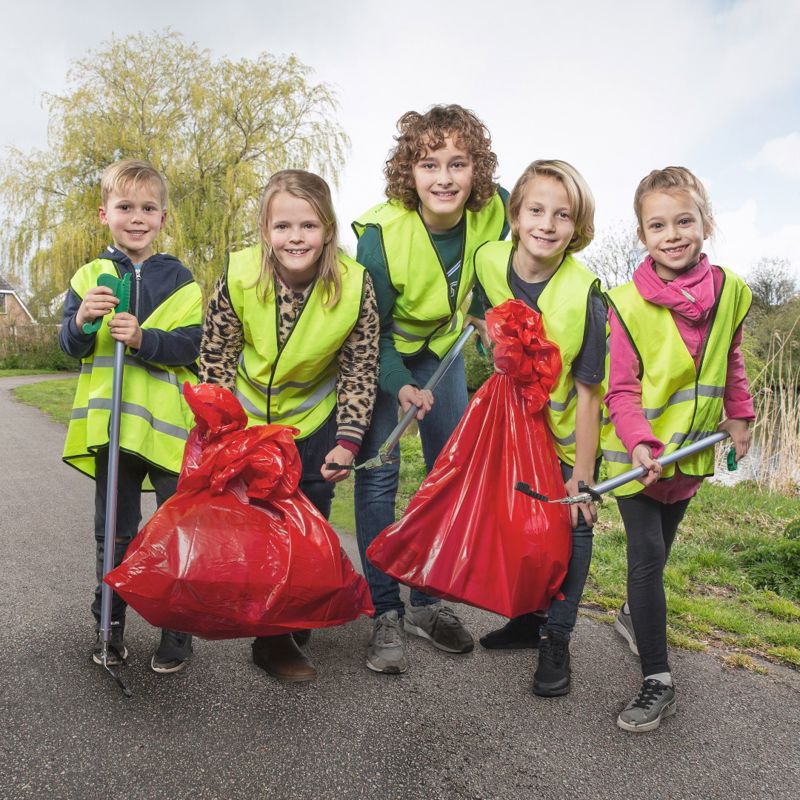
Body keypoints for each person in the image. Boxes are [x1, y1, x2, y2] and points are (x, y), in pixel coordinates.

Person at [199, 169, 379, 682]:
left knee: (306, 529)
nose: (295, 237)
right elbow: (215, 355)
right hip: (250, 423)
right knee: (260, 530)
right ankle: (272, 634)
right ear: (265, 230)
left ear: (327, 228)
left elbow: (360, 367)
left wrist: (347, 441)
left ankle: (286, 624)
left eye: (307, 225)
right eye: (282, 226)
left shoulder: (354, 285)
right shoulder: (238, 274)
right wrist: (219, 427)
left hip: (313, 427)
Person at [352, 104, 509, 674]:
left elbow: (507, 268)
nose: (444, 177)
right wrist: (398, 388)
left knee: (450, 474)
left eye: (458, 163)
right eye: (428, 164)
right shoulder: (380, 234)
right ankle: (386, 609)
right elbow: (371, 335)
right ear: (408, 173)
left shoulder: (498, 211)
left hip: (444, 352)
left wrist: (492, 315)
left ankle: (427, 603)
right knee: (379, 479)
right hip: (384, 354)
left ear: (477, 171)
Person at [603, 166, 754, 732]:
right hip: (637, 459)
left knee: (658, 557)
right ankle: (657, 680)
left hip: (689, 455)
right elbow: (620, 388)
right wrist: (640, 441)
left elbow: (733, 362)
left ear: (705, 223)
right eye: (657, 225)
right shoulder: (625, 304)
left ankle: (628, 617)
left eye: (684, 220)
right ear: (642, 235)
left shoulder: (733, 293)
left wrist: (740, 416)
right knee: (645, 559)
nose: (673, 234)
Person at [60, 158, 202, 673]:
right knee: (114, 533)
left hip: (166, 434)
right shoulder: (88, 276)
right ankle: (109, 626)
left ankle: (177, 632)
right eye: (125, 207)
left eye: (148, 208)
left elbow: (192, 345)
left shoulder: (181, 280)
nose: (136, 217)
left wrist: (143, 339)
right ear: (105, 214)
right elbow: (69, 347)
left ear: (163, 217)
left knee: (173, 533)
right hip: (114, 432)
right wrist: (80, 319)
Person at [473, 159, 605, 697]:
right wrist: (492, 339)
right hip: (515, 424)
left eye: (563, 215)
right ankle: (528, 620)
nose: (547, 224)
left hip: (572, 433)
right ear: (516, 214)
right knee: (524, 522)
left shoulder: (586, 293)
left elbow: (590, 390)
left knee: (574, 524)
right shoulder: (488, 260)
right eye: (536, 210)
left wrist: (584, 477)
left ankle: (557, 636)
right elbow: (480, 315)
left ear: (577, 227)